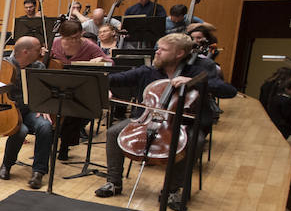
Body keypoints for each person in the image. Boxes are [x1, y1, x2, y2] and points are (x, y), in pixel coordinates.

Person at [94, 33, 238, 201]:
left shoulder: (199, 70)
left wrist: (192, 81)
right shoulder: (149, 71)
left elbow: (229, 91)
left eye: (163, 49)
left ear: (179, 54)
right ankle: (113, 182)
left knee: (195, 141)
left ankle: (171, 190)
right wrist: (104, 86)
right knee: (113, 133)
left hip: (182, 123)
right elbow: (117, 79)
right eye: (158, 47)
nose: (157, 52)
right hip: (147, 118)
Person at [0, 36, 54, 189]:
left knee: (45, 126)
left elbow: (43, 92)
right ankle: (7, 165)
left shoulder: (38, 67)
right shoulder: (3, 64)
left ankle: (38, 172)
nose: (42, 52)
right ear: (25, 52)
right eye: (38, 49)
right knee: (20, 130)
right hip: (9, 111)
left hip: (30, 111)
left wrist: (43, 107)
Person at [48, 18, 109, 160]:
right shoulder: (55, 43)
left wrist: (102, 60)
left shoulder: (89, 46)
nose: (74, 41)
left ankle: (65, 145)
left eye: (77, 37)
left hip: (79, 87)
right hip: (58, 85)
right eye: (69, 38)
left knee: (74, 113)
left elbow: (110, 62)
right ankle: (49, 143)